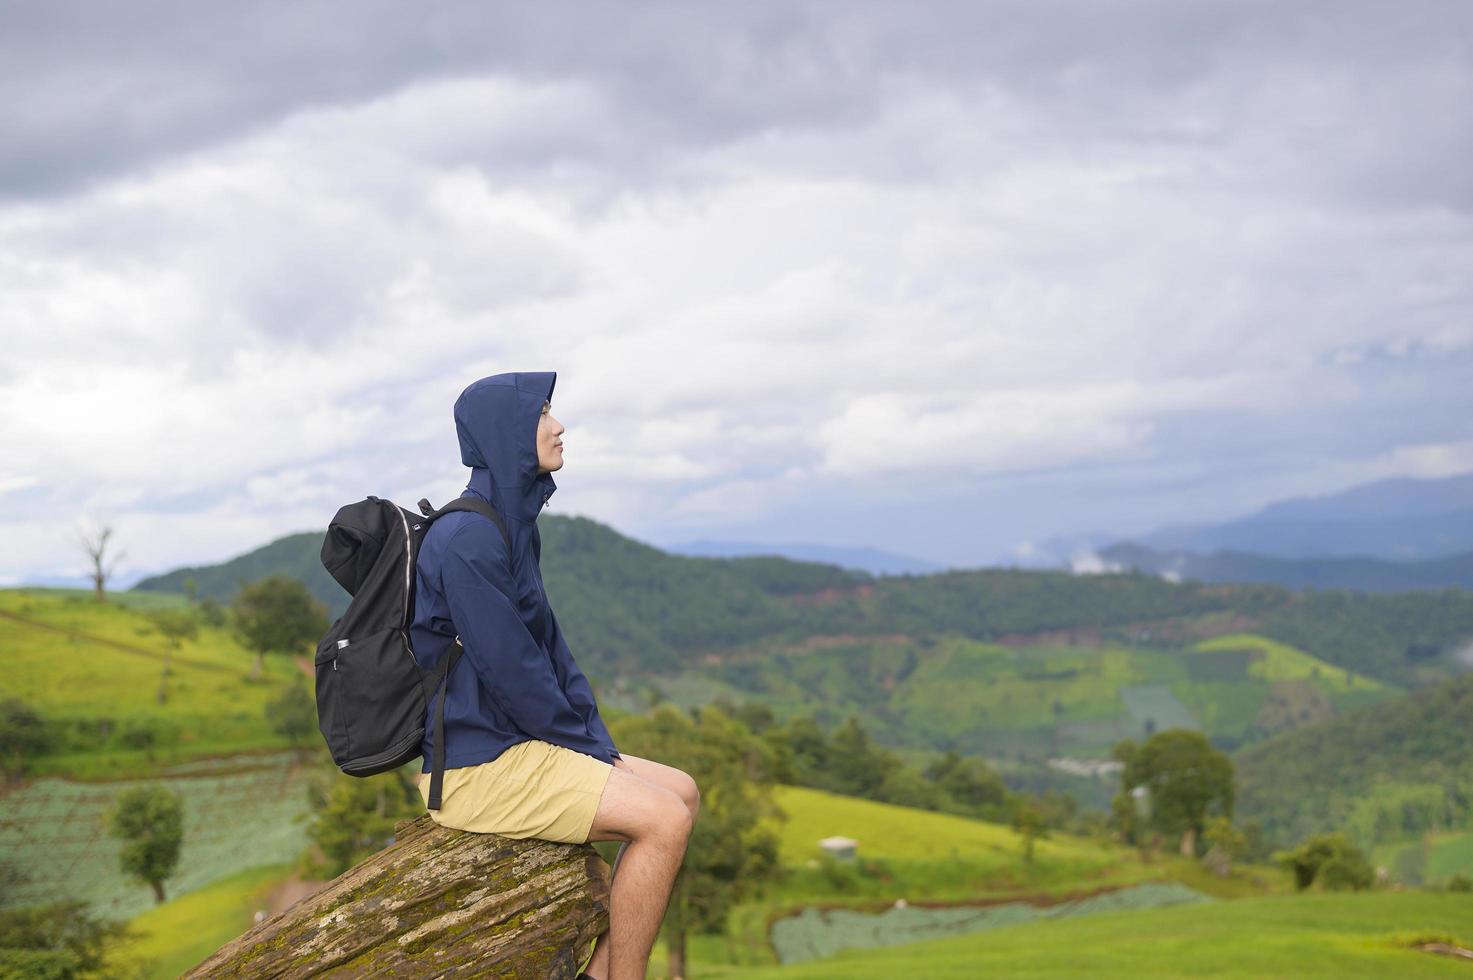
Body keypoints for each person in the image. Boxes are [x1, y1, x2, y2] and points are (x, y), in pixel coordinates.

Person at [411, 371, 697, 980]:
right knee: (664, 820)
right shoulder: (467, 539)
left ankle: (600, 970)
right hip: (476, 766)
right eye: (542, 413)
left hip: (518, 745)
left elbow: (552, 653)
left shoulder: (512, 529)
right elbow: (513, 672)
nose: (558, 425)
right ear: (505, 434)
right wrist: (583, 748)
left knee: (684, 791)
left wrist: (596, 743)